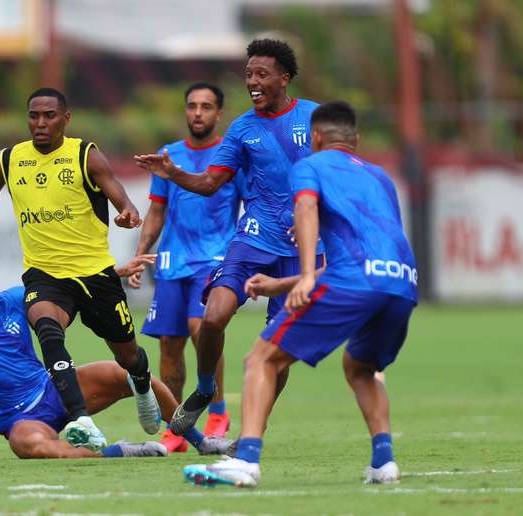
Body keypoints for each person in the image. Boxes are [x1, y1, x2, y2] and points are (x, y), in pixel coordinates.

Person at [183, 101, 418, 487]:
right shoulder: (381, 178)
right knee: (361, 368)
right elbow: (372, 251)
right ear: (356, 139)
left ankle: (245, 461)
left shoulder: (308, 165)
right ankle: (384, 461)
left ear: (317, 138)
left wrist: (306, 274)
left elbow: (306, 207)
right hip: (401, 282)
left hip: (351, 282)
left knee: (261, 358)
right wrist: (280, 285)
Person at [0, 87, 161, 452]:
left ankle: (141, 384)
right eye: (34, 116)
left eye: (49, 116)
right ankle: (81, 418)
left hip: (95, 275)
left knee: (128, 356)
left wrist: (128, 210)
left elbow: (116, 191)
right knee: (47, 329)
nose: (40, 123)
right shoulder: (9, 159)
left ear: (66, 118)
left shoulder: (84, 155)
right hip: (45, 274)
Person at [134, 39, 323, 435]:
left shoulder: (313, 117)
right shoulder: (241, 129)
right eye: (249, 74)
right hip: (253, 239)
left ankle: (254, 430)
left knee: (276, 350)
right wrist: (175, 175)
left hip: (302, 249)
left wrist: (318, 213)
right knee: (213, 316)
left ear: (284, 78)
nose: (252, 82)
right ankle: (205, 390)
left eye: (261, 74)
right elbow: (208, 182)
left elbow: (338, 170)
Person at [0, 257, 234, 460]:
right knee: (29, 447)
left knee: (131, 373)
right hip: (18, 420)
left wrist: (116, 273)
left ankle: (201, 442)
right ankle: (119, 452)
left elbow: (67, 287)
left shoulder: (12, 300)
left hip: (54, 389)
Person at [129, 82, 242, 452]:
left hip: (214, 259)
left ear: (218, 113)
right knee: (169, 346)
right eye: (192, 106)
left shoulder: (231, 155)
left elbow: (252, 203)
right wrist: (140, 253)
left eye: (206, 106)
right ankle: (177, 427)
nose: (198, 112)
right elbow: (157, 210)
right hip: (172, 262)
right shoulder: (168, 155)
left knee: (202, 326)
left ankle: (218, 410)